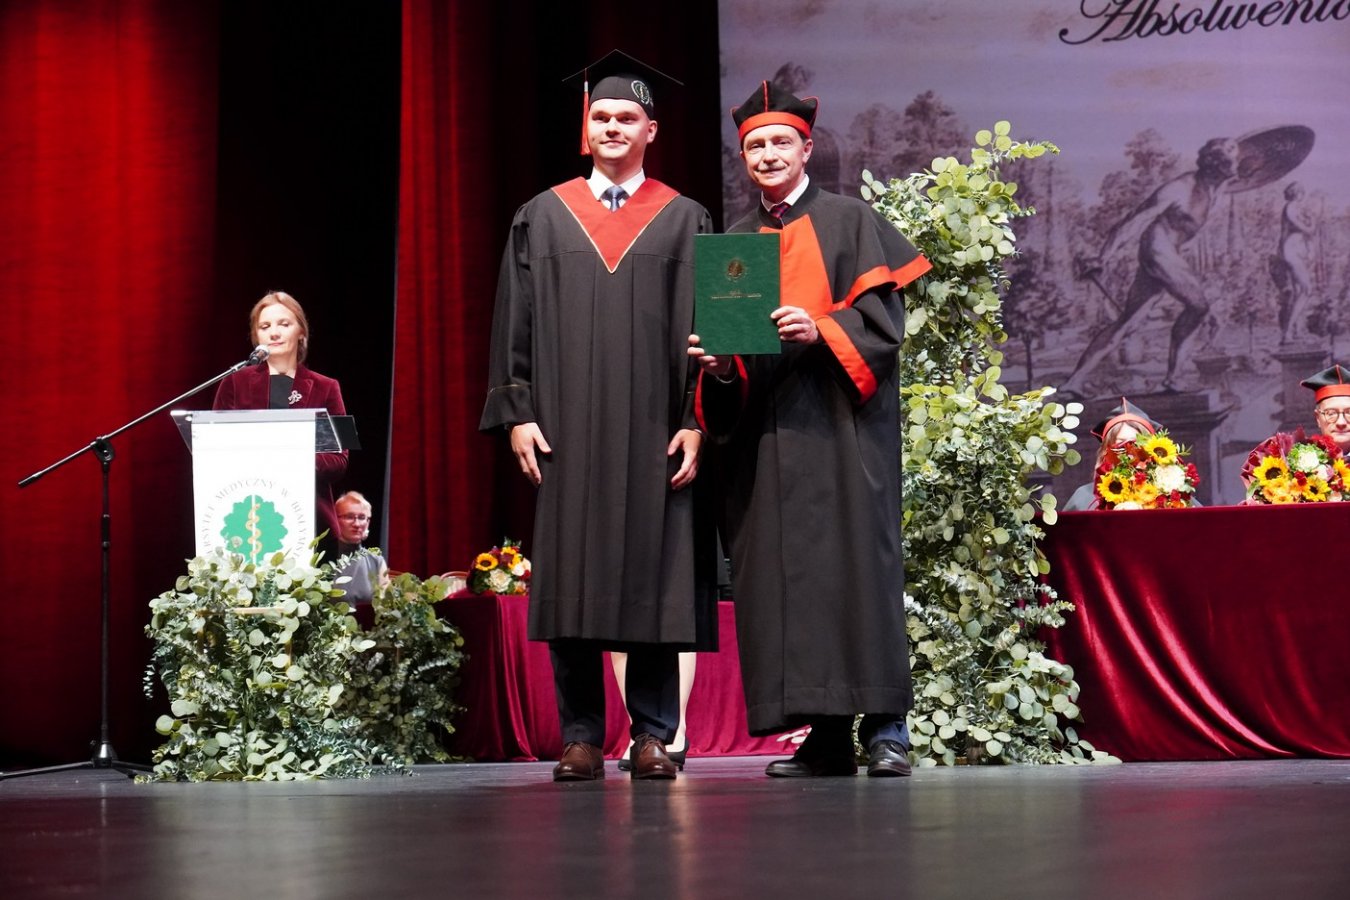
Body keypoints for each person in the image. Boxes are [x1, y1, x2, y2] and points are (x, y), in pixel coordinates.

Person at [478, 50, 713, 782]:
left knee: (656, 576)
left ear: (651, 130)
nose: (613, 127)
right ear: (587, 128)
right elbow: (513, 323)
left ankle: (652, 735)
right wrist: (517, 411)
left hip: (655, 430)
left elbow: (712, 334)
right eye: (601, 117)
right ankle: (579, 735)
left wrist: (696, 419)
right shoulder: (542, 216)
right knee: (572, 576)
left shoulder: (687, 219)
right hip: (566, 429)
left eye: (627, 118)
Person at [688, 81, 930, 778]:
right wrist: (720, 367)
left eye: (780, 142)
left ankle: (887, 732)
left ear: (806, 148)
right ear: (743, 157)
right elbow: (731, 365)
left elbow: (884, 330)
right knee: (791, 583)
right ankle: (824, 737)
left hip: (845, 429)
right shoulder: (734, 245)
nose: (767, 154)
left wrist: (821, 328)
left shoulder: (851, 222)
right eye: (755, 146)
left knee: (861, 572)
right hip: (766, 442)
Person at [1062, 137, 1240, 395]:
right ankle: (1174, 378)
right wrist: (1103, 257)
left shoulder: (1217, 188)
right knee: (1199, 306)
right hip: (1158, 250)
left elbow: (1255, 174)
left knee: (1128, 323)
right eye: (1232, 160)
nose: (1237, 165)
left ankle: (1073, 382)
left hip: (1168, 253)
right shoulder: (1179, 189)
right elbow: (1134, 221)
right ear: (1217, 165)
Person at [213, 290, 348, 541]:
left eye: (284, 324)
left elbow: (339, 459)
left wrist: (286, 461)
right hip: (245, 519)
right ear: (256, 336)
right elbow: (214, 451)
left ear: (301, 332)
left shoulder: (329, 387)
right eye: (265, 326)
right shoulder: (233, 382)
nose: (274, 333)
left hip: (311, 521)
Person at [1062, 399, 1160, 511]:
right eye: (1120, 442)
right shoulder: (1083, 498)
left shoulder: (1167, 496)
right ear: (1106, 450)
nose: (1129, 450)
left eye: (1136, 443)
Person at [1273, 182, 1317, 343]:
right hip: (1291, 252)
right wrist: (1312, 222)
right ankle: (1287, 333)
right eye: (1301, 192)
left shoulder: (1295, 208)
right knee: (1306, 290)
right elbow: (1307, 230)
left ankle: (1295, 331)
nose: (1302, 195)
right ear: (1297, 193)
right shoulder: (1291, 207)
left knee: (1299, 291)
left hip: (1294, 251)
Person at [334, 490, 389, 604]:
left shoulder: (376, 562)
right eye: (349, 517)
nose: (357, 524)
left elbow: (385, 606)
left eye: (362, 517)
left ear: (368, 522)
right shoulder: (323, 557)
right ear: (336, 519)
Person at [1303, 364, 1350, 453]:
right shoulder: (1298, 460)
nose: (1341, 422)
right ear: (1318, 418)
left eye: (1349, 413)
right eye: (1331, 413)